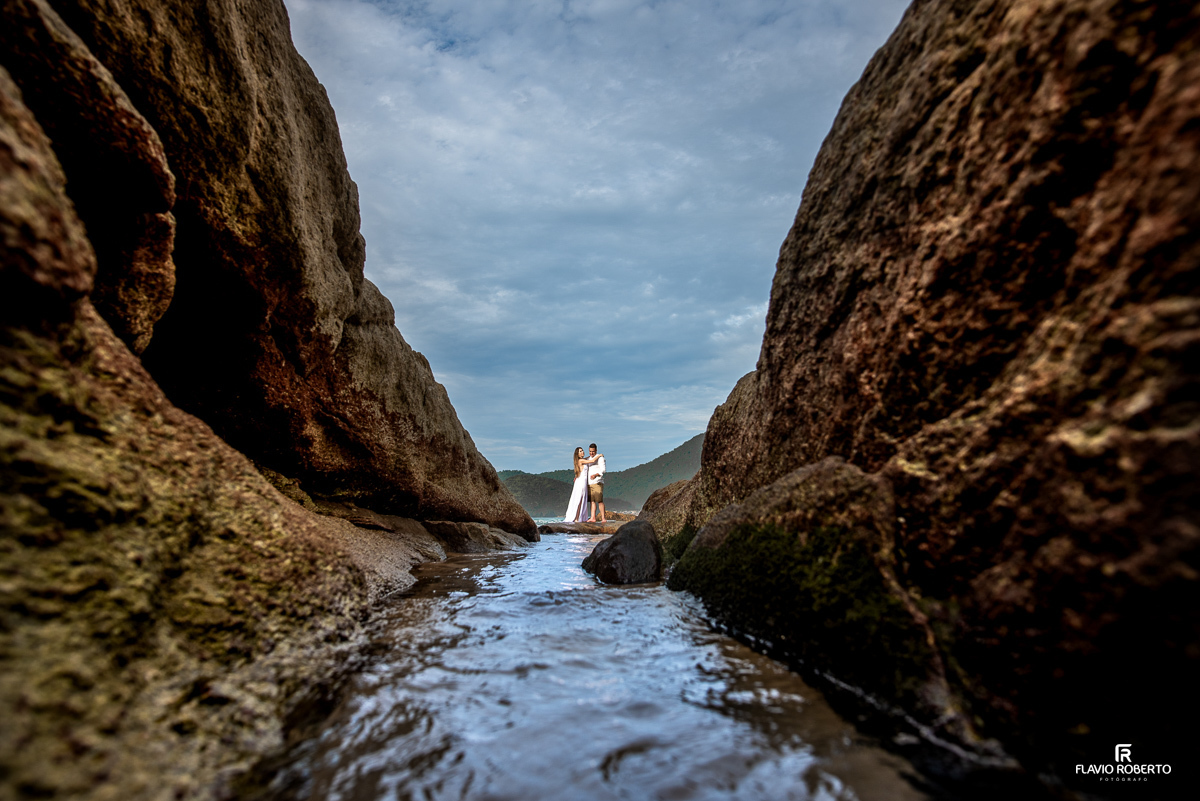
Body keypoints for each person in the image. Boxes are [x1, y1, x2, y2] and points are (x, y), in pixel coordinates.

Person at [562, 447, 590, 522]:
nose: (582, 452)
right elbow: (592, 460)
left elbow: (587, 459)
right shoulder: (581, 460)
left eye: (582, 450)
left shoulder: (581, 460)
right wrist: (599, 455)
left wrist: (591, 456)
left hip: (581, 481)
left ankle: (578, 517)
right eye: (580, 451)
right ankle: (577, 518)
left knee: (581, 499)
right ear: (577, 454)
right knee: (579, 499)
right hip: (581, 482)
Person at [583, 443, 606, 523]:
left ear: (596, 450)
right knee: (592, 501)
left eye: (593, 451)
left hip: (597, 482)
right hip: (589, 483)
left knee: (599, 500)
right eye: (590, 451)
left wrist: (595, 475)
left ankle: (603, 518)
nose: (591, 453)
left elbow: (603, 470)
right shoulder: (589, 459)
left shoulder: (600, 458)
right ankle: (593, 517)